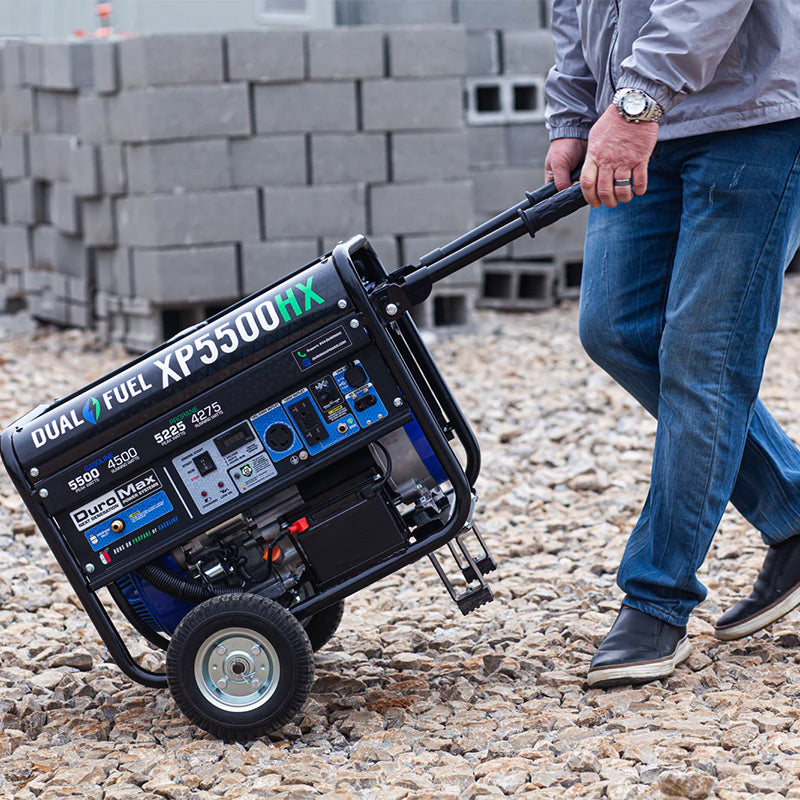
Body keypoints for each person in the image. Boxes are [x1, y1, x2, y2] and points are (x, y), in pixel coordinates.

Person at [543, 0, 800, 688]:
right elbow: (576, 9)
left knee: (704, 356)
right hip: (630, 116)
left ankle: (657, 597)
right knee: (613, 326)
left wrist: (637, 103)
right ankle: (794, 508)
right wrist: (572, 117)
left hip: (752, 114)